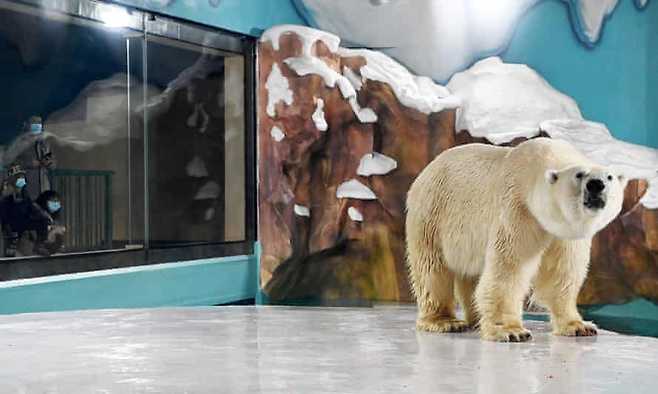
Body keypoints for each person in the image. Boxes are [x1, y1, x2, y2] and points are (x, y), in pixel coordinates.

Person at [0, 163, 51, 257]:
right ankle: (10, 249)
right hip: (11, 223)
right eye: (19, 177)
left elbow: (31, 207)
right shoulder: (7, 194)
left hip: (23, 220)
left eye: (22, 177)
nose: (21, 179)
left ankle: (39, 245)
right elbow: (4, 213)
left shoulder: (24, 193)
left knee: (43, 221)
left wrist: (43, 215)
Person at [35, 190, 66, 255]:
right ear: (44, 201)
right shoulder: (36, 216)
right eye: (53, 201)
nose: (56, 203)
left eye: (57, 201)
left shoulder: (53, 218)